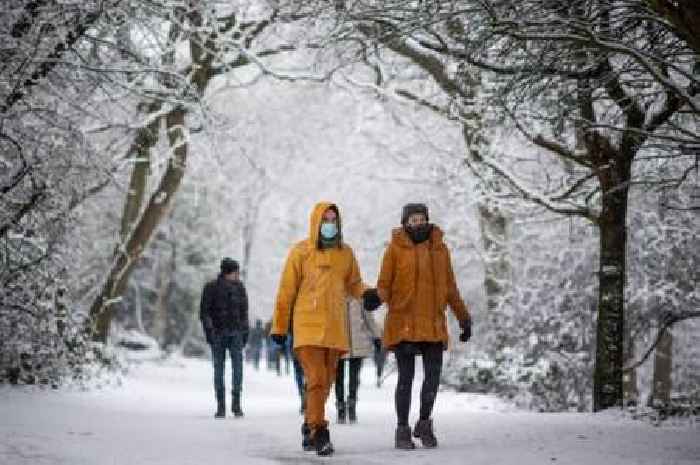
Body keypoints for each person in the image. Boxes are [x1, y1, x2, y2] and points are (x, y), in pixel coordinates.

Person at [269, 202, 375, 456]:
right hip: (307, 327)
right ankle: (320, 432)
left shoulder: (345, 253)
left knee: (325, 383)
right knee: (316, 378)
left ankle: (308, 425)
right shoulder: (301, 252)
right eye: (325, 220)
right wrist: (280, 325)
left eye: (333, 220)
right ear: (316, 222)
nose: (330, 225)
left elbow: (354, 283)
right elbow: (286, 291)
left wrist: (367, 294)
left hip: (335, 328)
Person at [364, 203, 472, 449]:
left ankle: (424, 423)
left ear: (427, 220)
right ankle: (402, 429)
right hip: (403, 324)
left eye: (421, 218)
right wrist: (376, 298)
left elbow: (450, 288)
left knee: (433, 376)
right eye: (412, 220)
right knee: (406, 377)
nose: (417, 223)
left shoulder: (441, 250)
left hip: (433, 323)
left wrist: (463, 318)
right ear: (405, 223)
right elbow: (385, 285)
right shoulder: (394, 250)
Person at [199, 257, 249, 419]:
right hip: (219, 334)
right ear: (227, 272)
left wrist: (244, 333)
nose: (237, 275)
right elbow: (204, 312)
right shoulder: (211, 288)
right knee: (219, 370)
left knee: (237, 370)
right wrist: (210, 332)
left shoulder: (240, 288)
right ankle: (221, 406)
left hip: (235, 334)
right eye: (235, 272)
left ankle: (236, 404)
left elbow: (244, 312)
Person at [335, 297, 382, 424]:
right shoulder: (333, 294)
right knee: (338, 378)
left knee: (354, 377)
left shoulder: (359, 297)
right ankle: (340, 406)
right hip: (337, 343)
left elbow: (369, 319)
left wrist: (377, 336)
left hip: (358, 344)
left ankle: (352, 405)